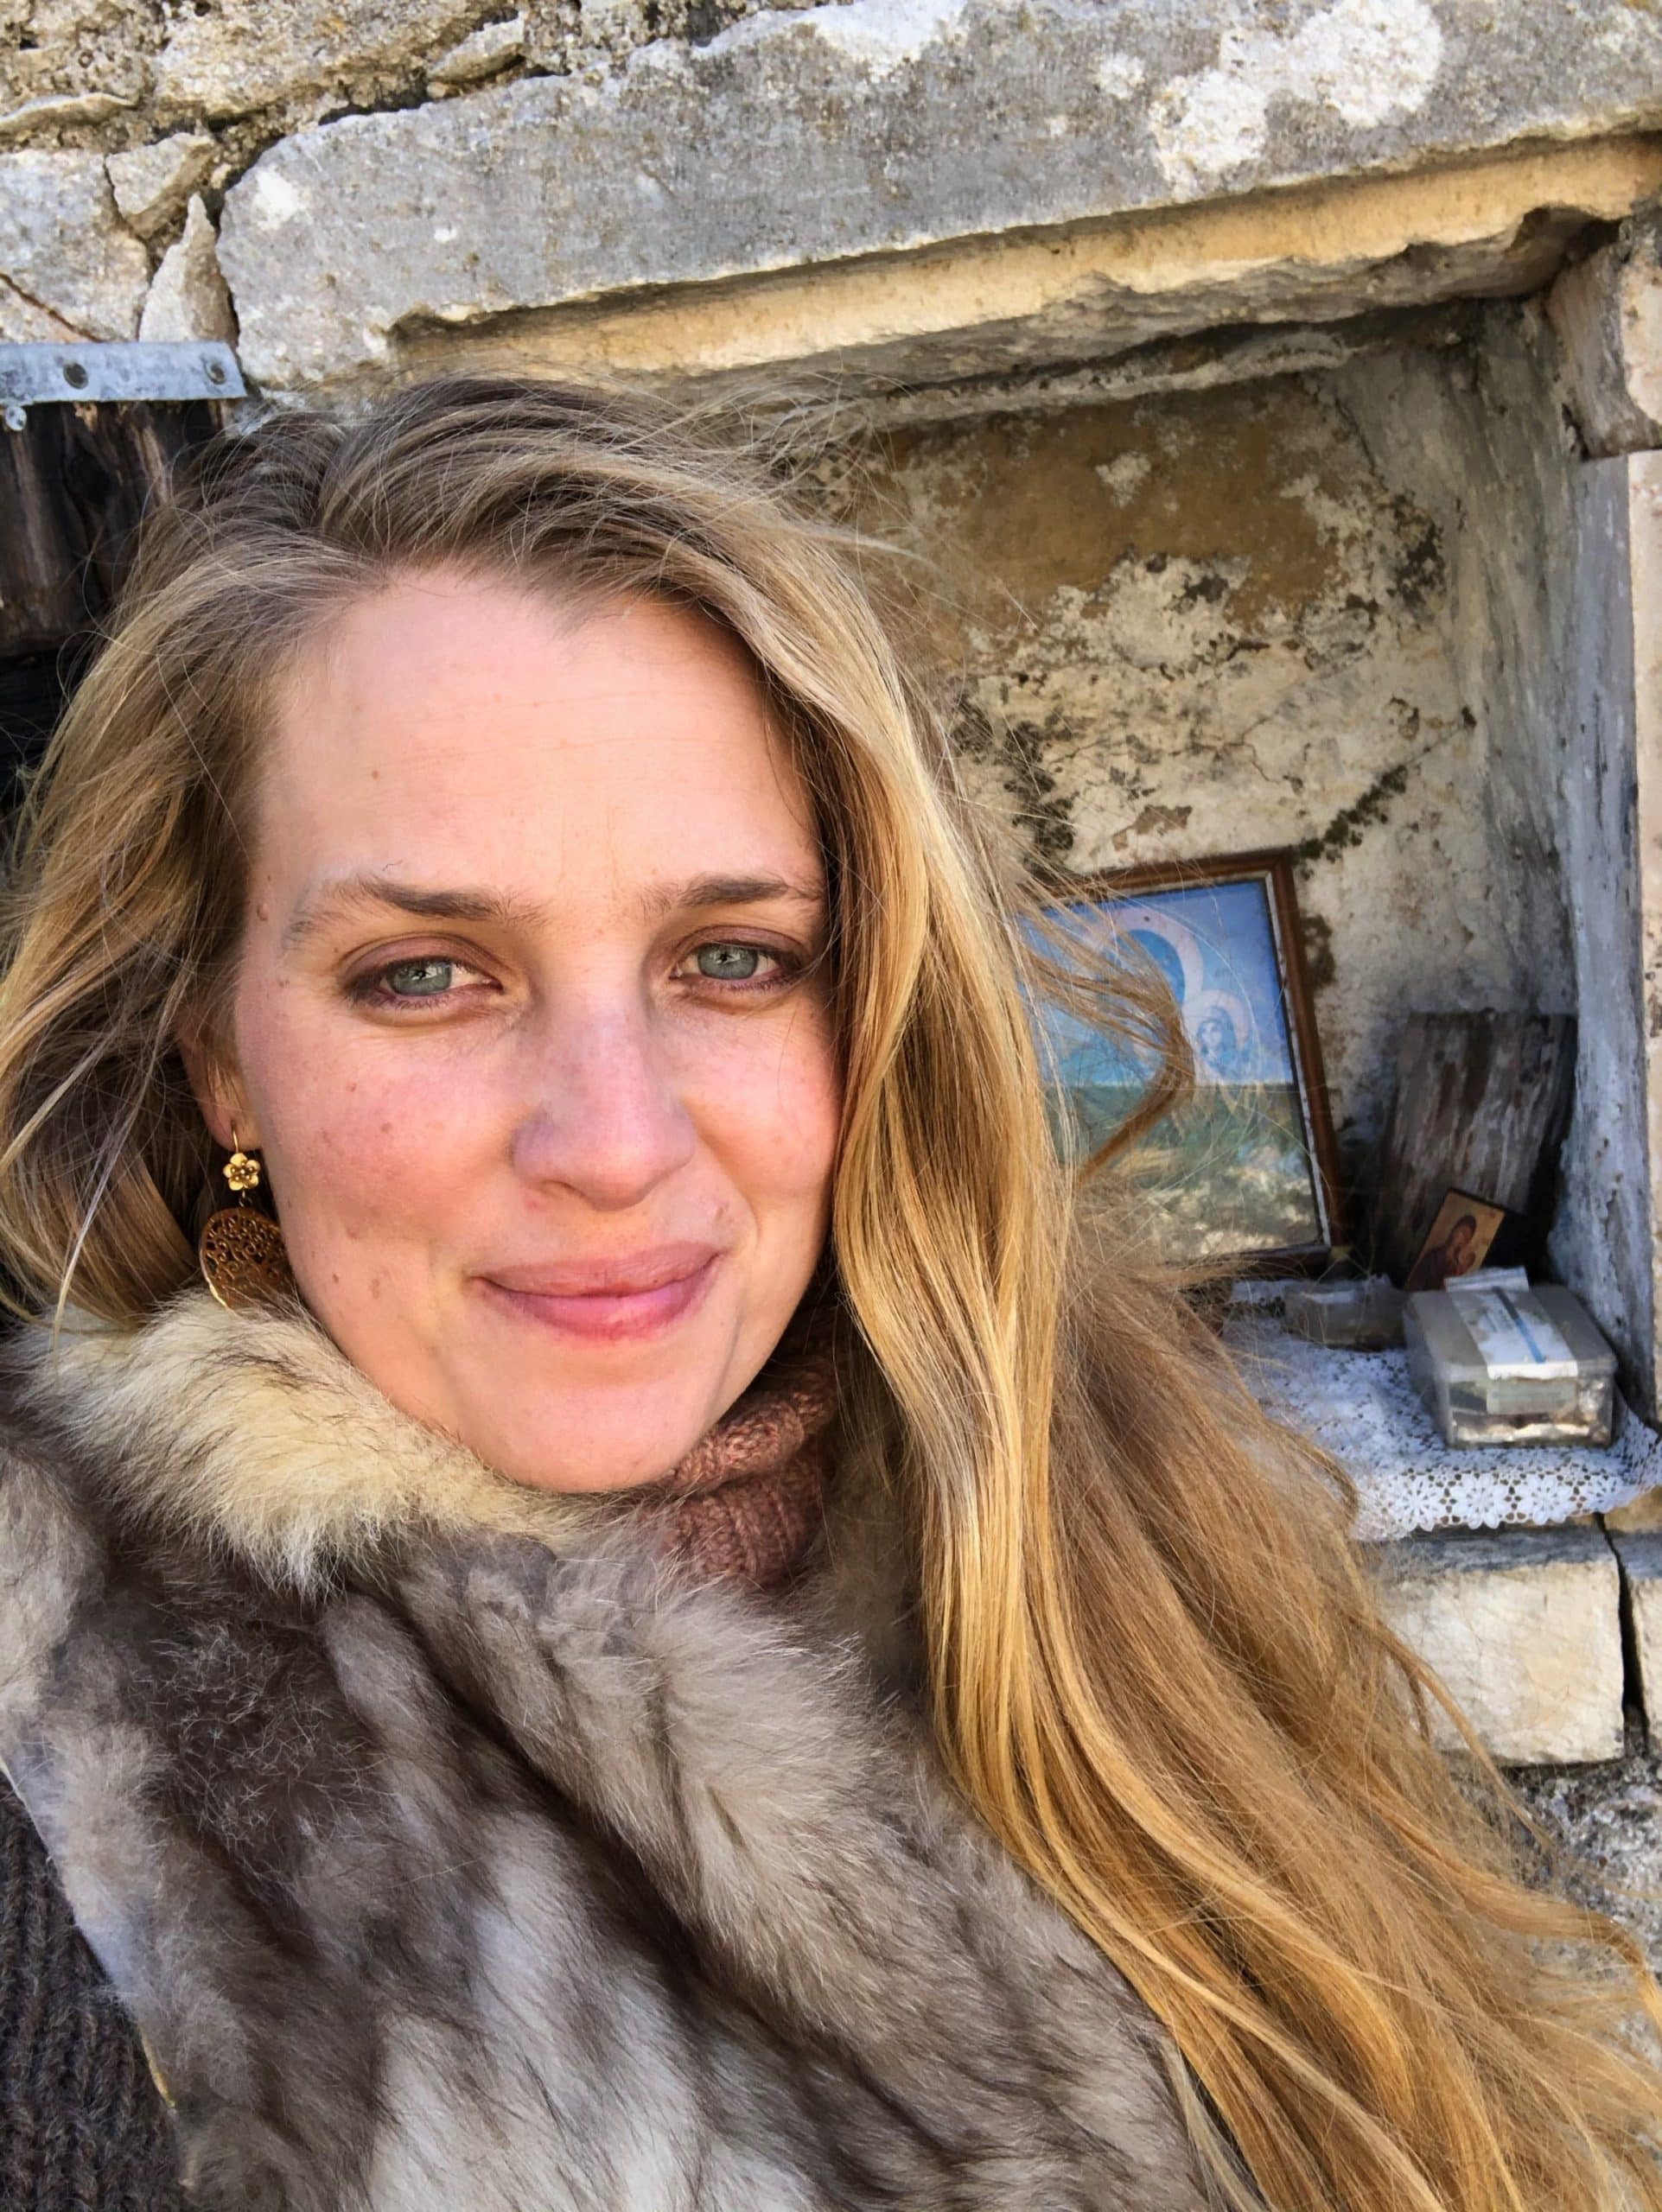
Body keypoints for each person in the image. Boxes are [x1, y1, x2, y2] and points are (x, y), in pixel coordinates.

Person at [0, 378, 1655, 2212]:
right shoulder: (68, 1757)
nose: (614, 1143)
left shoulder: (1102, 1506)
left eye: (732, 957)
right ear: (220, 1060)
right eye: (422, 973)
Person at [1405, 1210, 1483, 1294]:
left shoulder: (1456, 1267)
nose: (1463, 1239)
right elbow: (1414, 1284)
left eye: (1467, 1239)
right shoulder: (1433, 1255)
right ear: (1456, 1228)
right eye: (1463, 1232)